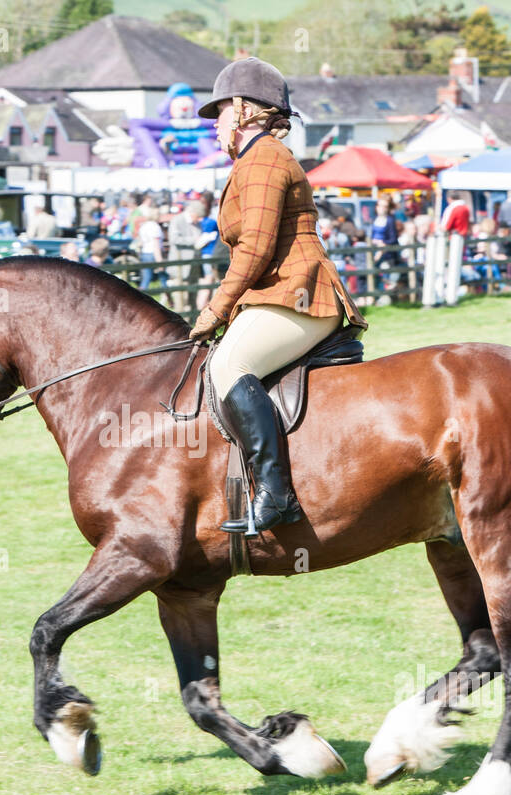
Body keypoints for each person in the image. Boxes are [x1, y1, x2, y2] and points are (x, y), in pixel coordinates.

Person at [190, 56, 365, 535]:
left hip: (301, 294)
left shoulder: (264, 160)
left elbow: (257, 246)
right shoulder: (254, 160)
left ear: (245, 109)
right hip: (280, 293)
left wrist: (216, 307)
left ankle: (276, 495)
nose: (216, 124)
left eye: (221, 112)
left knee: (229, 366)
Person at [166, 200, 203, 311]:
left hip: (194, 264)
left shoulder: (197, 223)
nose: (200, 219)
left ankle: (192, 321)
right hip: (180, 265)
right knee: (181, 298)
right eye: (198, 216)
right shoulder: (177, 220)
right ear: (192, 213)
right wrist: (194, 240)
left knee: (193, 295)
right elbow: (174, 239)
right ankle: (183, 322)